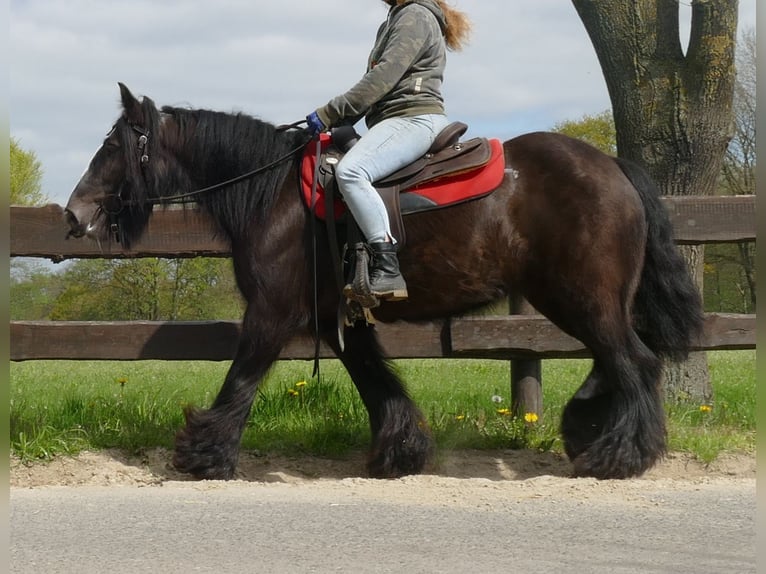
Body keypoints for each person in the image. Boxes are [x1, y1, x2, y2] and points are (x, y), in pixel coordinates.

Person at [306, 0, 471, 305]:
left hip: (414, 118)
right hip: (394, 120)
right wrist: (340, 121)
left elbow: (382, 79)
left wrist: (330, 112)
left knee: (352, 172)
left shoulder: (414, 15)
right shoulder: (398, 17)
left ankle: (387, 264)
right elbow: (378, 90)